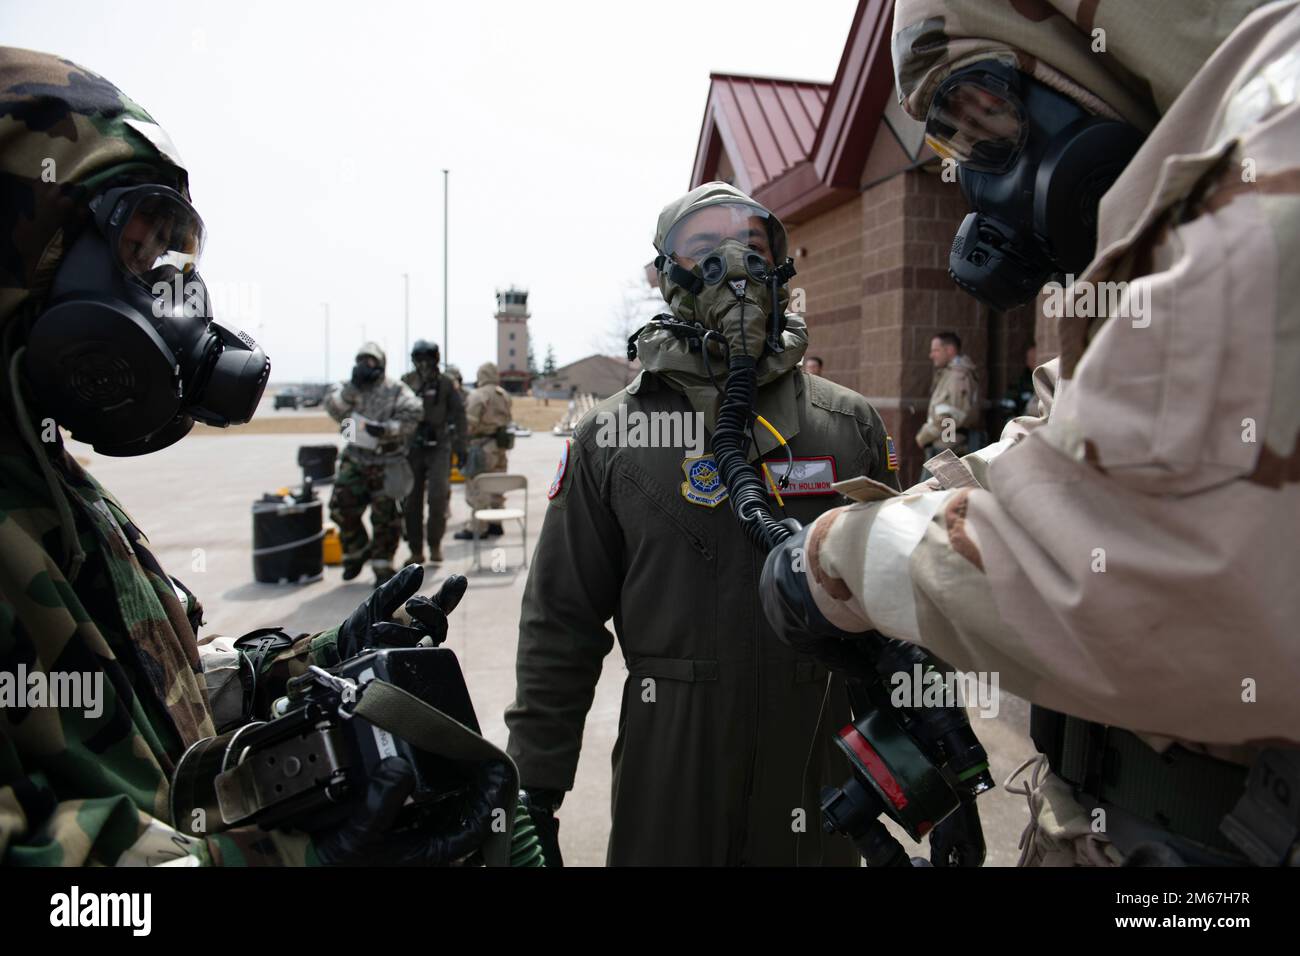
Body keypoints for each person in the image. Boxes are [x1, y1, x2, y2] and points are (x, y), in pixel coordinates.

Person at [760, 0, 1300, 866]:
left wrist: (844, 557)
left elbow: (1160, 572)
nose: (976, 180)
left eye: (990, 119)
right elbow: (1082, 446)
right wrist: (942, 498)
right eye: (953, 145)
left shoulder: (1278, 147)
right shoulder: (1184, 218)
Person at [0, 48, 510, 865]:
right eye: (134, 258)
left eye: (163, 265)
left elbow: (143, 698)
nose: (161, 302)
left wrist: (299, 665)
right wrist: (265, 859)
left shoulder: (46, 475)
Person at [504, 182, 901, 865]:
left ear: (779, 270)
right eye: (705, 251)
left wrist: (932, 771)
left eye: (750, 247)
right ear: (667, 277)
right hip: (671, 763)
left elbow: (899, 613)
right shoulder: (613, 438)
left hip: (817, 762)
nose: (734, 267)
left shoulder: (847, 427)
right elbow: (559, 624)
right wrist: (534, 789)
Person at [325, 342, 422, 585]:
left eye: (370, 361)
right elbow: (334, 409)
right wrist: (351, 389)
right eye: (361, 361)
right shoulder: (350, 388)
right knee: (341, 507)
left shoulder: (395, 389)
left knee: (385, 516)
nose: (365, 366)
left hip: (385, 459)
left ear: (380, 363)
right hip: (356, 457)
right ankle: (356, 552)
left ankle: (382, 565)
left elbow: (414, 413)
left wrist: (387, 429)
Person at [401, 340, 466, 565]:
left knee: (438, 495)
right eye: (419, 360)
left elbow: (459, 415)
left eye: (427, 360)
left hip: (439, 446)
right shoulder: (406, 382)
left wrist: (461, 447)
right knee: (411, 500)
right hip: (412, 447)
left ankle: (435, 543)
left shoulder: (446, 384)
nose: (424, 365)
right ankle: (416, 549)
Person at [453, 362, 513, 540]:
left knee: (477, 486)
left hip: (482, 446)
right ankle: (496, 523)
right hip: (501, 446)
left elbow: (469, 424)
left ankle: (478, 527)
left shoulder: (478, 396)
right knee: (497, 485)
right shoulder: (504, 395)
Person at [916, 331, 982, 459]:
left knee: (932, 480)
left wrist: (923, 436)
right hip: (945, 448)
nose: (931, 355)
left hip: (947, 451)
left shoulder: (957, 376)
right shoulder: (950, 373)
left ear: (950, 350)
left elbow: (950, 416)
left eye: (936, 350)